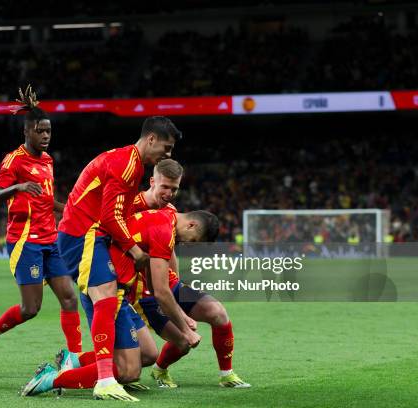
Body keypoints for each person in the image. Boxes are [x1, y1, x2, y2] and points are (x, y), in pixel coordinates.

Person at [22, 208, 217, 400]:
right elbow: (161, 291)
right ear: (192, 225)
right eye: (192, 240)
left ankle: (74, 360)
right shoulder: (165, 232)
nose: (184, 243)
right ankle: (50, 379)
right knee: (128, 372)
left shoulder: (164, 216)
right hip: (107, 290)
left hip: (118, 291)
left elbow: (152, 278)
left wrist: (182, 317)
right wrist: (186, 330)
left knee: (148, 354)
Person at [56, 116, 181, 400]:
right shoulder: (127, 164)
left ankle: (86, 368)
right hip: (83, 233)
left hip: (91, 233)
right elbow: (110, 216)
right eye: (167, 146)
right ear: (151, 139)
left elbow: (118, 213)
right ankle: (103, 380)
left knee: (137, 351)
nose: (168, 154)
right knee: (106, 296)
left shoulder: (131, 163)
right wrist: (135, 250)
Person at [0, 86, 81, 372]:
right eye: (41, 131)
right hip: (25, 241)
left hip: (51, 239)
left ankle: (74, 361)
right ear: (27, 132)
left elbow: (45, 200)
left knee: (70, 298)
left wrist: (72, 210)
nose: (46, 136)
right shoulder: (14, 161)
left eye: (49, 131)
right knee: (31, 309)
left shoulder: (47, 161)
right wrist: (18, 186)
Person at [131, 159, 250, 389]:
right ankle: (94, 366)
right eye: (165, 187)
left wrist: (178, 284)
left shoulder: (171, 211)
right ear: (152, 181)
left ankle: (226, 374)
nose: (169, 193)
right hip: (143, 291)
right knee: (183, 340)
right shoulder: (131, 206)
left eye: (174, 189)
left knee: (218, 313)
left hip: (166, 283)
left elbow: (169, 252)